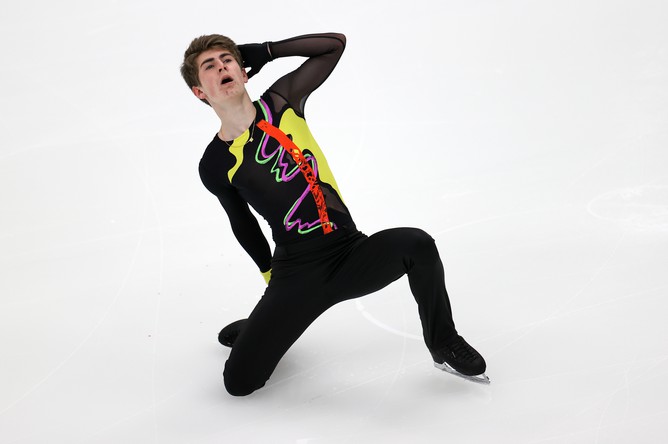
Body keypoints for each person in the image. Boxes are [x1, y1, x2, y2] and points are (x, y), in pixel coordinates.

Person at [180, 32, 489, 396]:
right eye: (210, 66)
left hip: (349, 253)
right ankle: (260, 326)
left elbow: (333, 45)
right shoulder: (214, 164)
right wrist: (270, 276)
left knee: (416, 244)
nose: (222, 68)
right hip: (296, 272)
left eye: (228, 60)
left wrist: (266, 51)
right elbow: (242, 223)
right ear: (199, 92)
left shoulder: (282, 102)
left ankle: (444, 341)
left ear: (244, 72)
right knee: (239, 383)